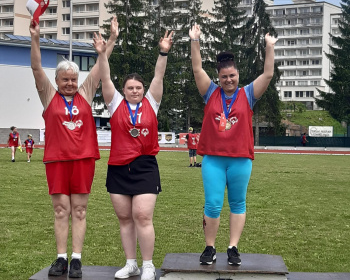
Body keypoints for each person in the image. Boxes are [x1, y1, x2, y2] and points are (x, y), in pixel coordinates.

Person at [29, 17, 118, 278]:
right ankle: (60, 258)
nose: (69, 83)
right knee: (60, 210)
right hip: (57, 161)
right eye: (65, 79)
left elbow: (101, 67)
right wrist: (35, 39)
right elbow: (36, 69)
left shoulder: (86, 92)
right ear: (56, 80)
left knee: (79, 210)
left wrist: (110, 41)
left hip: (83, 160)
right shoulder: (48, 95)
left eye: (72, 79)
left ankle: (76, 259)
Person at [189, 24, 277, 266]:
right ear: (219, 78)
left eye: (232, 76)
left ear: (238, 75)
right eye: (224, 77)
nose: (228, 80)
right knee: (213, 203)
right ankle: (209, 247)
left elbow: (268, 75)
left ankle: (233, 247)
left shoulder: (248, 94)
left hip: (240, 160)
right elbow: (197, 69)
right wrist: (195, 41)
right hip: (214, 160)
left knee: (238, 202)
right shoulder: (210, 93)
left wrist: (269, 47)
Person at [93, 26, 173, 280]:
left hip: (145, 166)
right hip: (118, 167)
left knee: (142, 216)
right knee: (125, 218)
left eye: (139, 87)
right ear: (124, 90)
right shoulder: (115, 103)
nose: (135, 91)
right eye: (130, 87)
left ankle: (148, 264)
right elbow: (105, 78)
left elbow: (158, 77)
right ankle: (131, 264)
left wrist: (163, 52)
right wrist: (102, 54)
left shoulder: (152, 102)